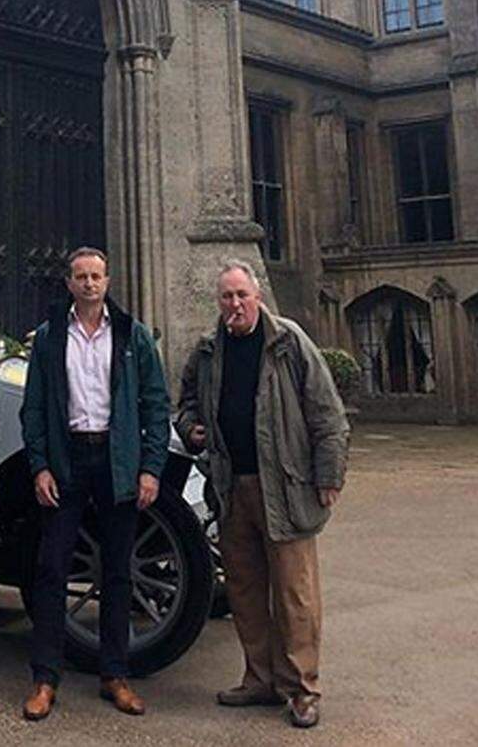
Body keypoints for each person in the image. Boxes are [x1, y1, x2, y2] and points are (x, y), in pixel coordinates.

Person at [176, 260, 349, 730]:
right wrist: (189, 426)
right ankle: (259, 678)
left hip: (286, 484)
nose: (234, 305)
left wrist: (328, 474)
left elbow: (326, 411)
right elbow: (187, 398)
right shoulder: (210, 349)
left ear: (258, 297)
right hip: (233, 487)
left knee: (295, 594)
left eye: (242, 296)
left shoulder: (289, 341)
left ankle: (302, 689)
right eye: (227, 297)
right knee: (245, 590)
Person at [19, 247, 169, 721]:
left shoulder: (130, 335)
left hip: (115, 458)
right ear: (68, 283)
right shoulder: (49, 337)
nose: (88, 284)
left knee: (118, 572)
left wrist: (150, 468)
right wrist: (40, 466)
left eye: (96, 276)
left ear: (108, 281)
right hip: (68, 460)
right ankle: (45, 678)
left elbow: (155, 405)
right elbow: (35, 408)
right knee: (50, 570)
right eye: (80, 276)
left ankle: (114, 674)